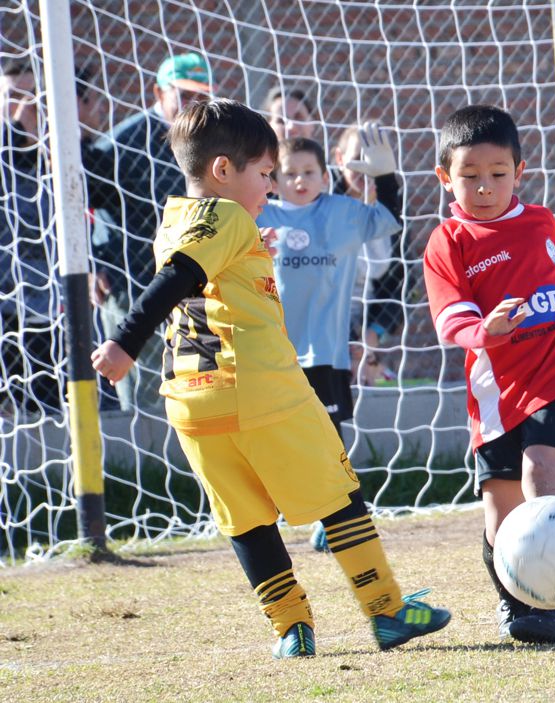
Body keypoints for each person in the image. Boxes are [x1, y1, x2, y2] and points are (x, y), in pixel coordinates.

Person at [91, 98, 450, 658]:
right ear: (223, 170)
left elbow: (192, 275)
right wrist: (124, 342)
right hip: (261, 388)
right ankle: (386, 610)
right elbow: (177, 279)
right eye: (264, 174)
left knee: (245, 519)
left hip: (192, 402)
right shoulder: (229, 216)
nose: (271, 186)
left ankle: (292, 629)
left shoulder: (176, 217)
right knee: (338, 493)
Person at [422, 105, 555, 644]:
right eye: (469, 175)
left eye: (498, 174)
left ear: (518, 172)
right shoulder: (447, 242)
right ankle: (518, 606)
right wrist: (486, 330)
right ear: (444, 177)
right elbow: (450, 318)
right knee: (501, 515)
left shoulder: (541, 222)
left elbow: (547, 294)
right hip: (496, 393)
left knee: (540, 473)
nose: (484, 187)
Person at [85, 52, 213, 412]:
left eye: (202, 95)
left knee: (197, 395)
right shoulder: (120, 144)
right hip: (134, 285)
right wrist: (92, 263)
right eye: (184, 95)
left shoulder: (215, 140)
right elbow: (78, 203)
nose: (194, 104)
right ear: (158, 93)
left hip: (197, 288)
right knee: (145, 402)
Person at [257, 133, 400, 441]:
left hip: (325, 352)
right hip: (272, 353)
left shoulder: (343, 212)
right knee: (280, 439)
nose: (300, 180)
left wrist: (386, 177)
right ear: (274, 182)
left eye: (309, 172)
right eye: (290, 173)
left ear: (324, 178)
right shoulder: (259, 215)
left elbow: (389, 219)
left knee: (328, 440)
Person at [0, 58, 61, 414]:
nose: (23, 107)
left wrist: (44, 146)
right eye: (12, 97)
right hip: (6, 305)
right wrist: (14, 132)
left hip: (51, 304)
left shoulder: (58, 154)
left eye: (31, 97)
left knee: (48, 406)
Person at [332, 124, 404, 385]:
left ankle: (371, 365)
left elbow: (401, 287)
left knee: (365, 376)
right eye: (358, 158)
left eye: (374, 160)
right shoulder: (323, 206)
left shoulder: (393, 213)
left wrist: (373, 332)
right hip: (323, 323)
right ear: (340, 159)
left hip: (366, 327)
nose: (367, 168)